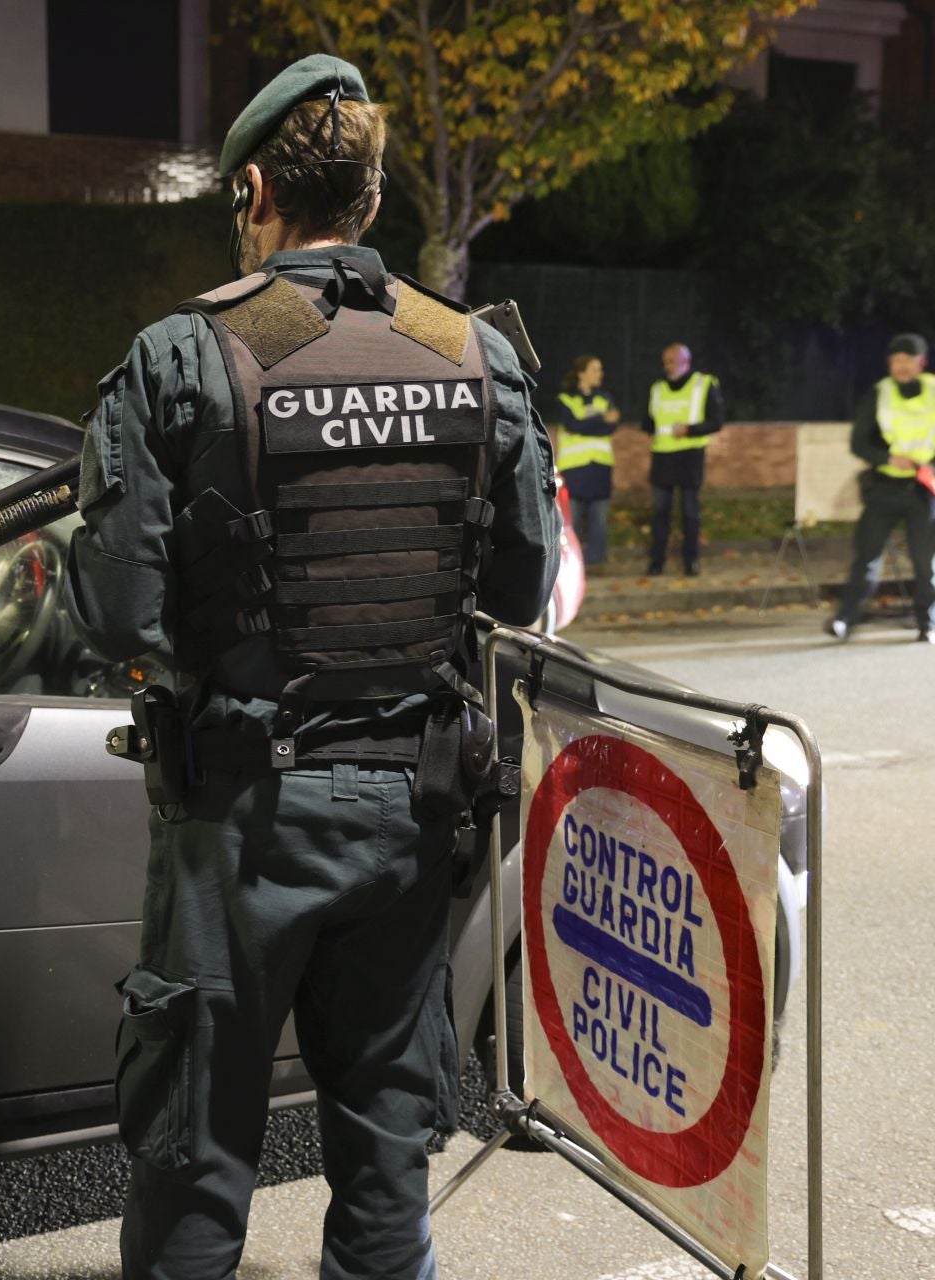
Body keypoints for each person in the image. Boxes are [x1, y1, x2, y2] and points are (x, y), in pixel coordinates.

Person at [63, 54, 560, 1280]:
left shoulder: (185, 355)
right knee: (390, 1143)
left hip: (240, 814)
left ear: (252, 195)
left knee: (195, 1149)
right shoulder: (473, 357)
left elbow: (119, 613)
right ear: (375, 204)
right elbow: (520, 589)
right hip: (413, 810)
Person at [826, 333, 935, 644]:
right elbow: (859, 441)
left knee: (927, 560)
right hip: (883, 487)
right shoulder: (880, 392)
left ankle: (928, 624)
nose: (901, 366)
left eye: (907, 360)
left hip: (922, 491)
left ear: (921, 362)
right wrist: (887, 457)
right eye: (896, 360)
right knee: (866, 557)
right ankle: (844, 619)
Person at [641, 342, 723, 576]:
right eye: (665, 361)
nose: (667, 366)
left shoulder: (704, 384)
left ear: (685, 361)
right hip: (662, 457)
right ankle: (656, 562)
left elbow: (716, 422)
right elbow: (648, 422)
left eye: (672, 361)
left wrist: (689, 430)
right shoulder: (657, 388)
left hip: (690, 457)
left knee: (690, 513)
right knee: (660, 513)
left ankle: (691, 561)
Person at [555, 355, 621, 570]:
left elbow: (611, 427)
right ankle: (571, 563)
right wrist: (600, 420)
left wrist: (589, 424)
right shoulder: (566, 398)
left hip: (600, 467)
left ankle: (596, 563)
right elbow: (573, 425)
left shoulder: (605, 398)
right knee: (571, 520)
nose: (600, 374)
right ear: (581, 373)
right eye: (595, 369)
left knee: (598, 520)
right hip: (574, 470)